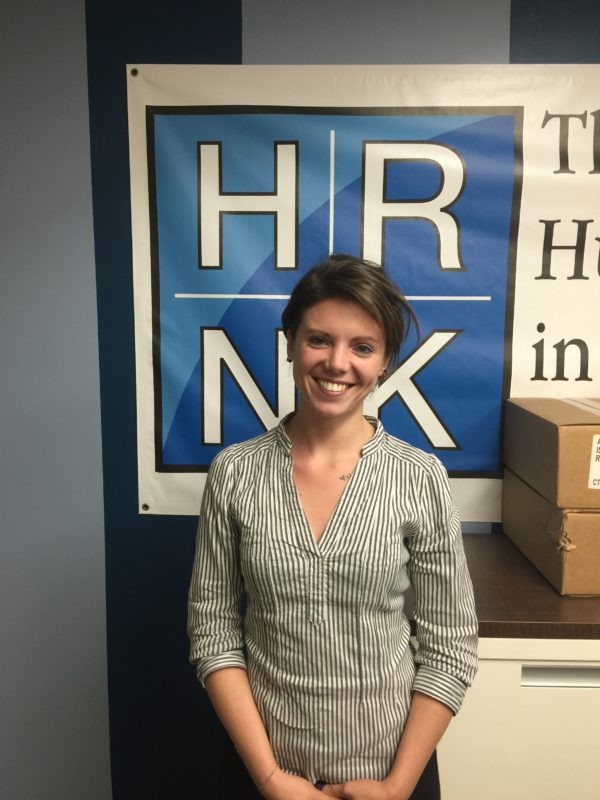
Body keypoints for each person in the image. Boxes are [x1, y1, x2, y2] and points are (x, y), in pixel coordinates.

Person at [187, 254, 478, 800]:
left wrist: (397, 787)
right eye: (319, 340)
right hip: (265, 772)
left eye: (362, 347)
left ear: (385, 362)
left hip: (390, 775)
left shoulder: (420, 477)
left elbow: (450, 646)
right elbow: (214, 632)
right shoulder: (235, 472)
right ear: (290, 344)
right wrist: (271, 779)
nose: (337, 363)